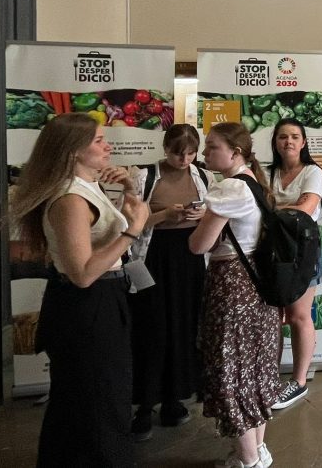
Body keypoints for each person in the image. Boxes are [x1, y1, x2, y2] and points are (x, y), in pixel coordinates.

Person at [5, 113, 149, 466]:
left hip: (100, 301)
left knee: (92, 398)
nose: (107, 145)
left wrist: (130, 196)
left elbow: (107, 238)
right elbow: (83, 272)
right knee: (96, 402)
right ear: (72, 151)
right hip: (88, 304)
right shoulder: (69, 199)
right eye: (99, 140)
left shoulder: (86, 187)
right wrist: (134, 228)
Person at [189, 123, 278, 468]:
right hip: (258, 285)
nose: (205, 153)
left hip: (232, 286)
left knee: (229, 369)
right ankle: (257, 451)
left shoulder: (229, 188)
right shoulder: (254, 183)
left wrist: (203, 220)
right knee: (254, 370)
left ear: (235, 152)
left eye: (212, 147)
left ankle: (248, 459)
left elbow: (199, 245)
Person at [129, 124, 214, 440]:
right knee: (152, 329)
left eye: (191, 153)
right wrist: (164, 215)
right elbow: (130, 224)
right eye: (178, 152)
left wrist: (198, 216)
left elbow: (212, 215)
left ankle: (173, 398)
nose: (184, 158)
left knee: (184, 327)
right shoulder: (145, 177)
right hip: (153, 259)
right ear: (166, 148)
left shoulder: (202, 176)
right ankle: (144, 406)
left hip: (190, 258)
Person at [268, 118, 322, 410]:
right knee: (274, 316)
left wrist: (271, 210)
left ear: (304, 142)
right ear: (275, 143)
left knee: (299, 315)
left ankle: (299, 382)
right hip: (273, 252)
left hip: (304, 251)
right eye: (282, 137)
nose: (288, 142)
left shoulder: (313, 172)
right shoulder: (268, 173)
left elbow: (306, 209)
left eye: (294, 137)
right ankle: (269, 377)